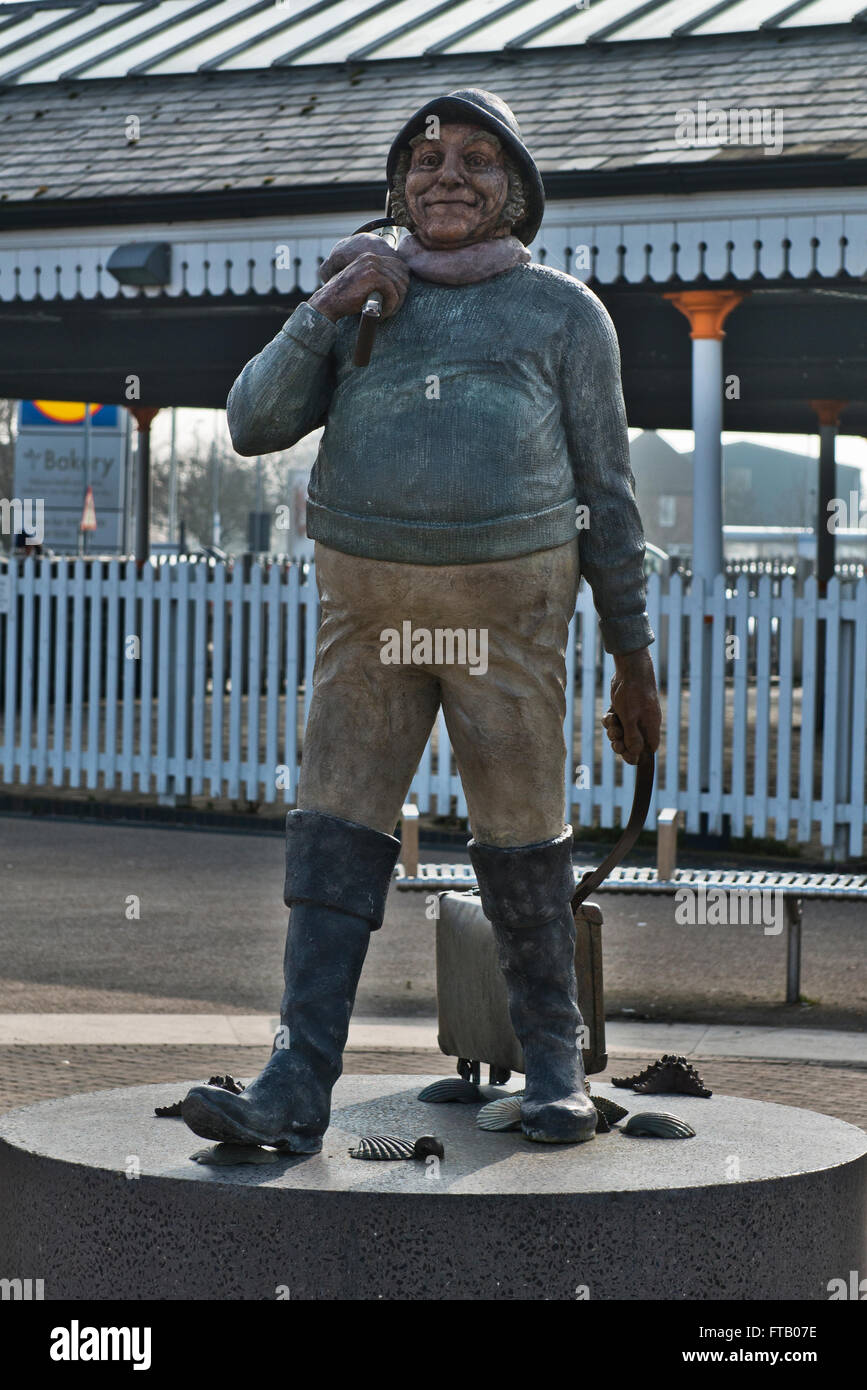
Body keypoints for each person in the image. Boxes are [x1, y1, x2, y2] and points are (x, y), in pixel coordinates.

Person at [182, 89, 661, 1152]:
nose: (448, 174)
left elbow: (611, 502)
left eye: (478, 158)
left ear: (517, 192)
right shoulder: (361, 303)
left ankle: (550, 1064)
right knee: (334, 832)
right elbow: (254, 421)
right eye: (427, 156)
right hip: (368, 628)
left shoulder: (565, 314)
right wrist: (328, 305)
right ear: (398, 182)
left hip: (513, 627)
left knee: (523, 836)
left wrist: (636, 659)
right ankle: (297, 1083)